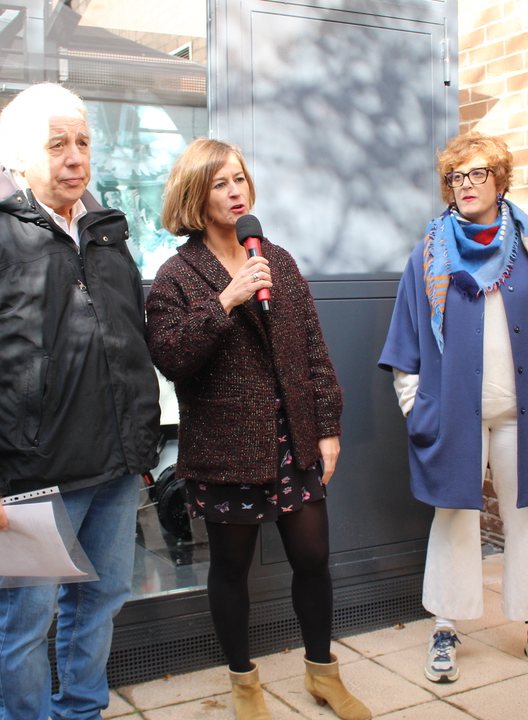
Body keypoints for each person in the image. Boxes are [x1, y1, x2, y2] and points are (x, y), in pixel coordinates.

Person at [0, 83, 162, 720]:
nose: (76, 157)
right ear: (17, 157)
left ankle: (81, 711)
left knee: (101, 602)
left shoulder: (105, 232)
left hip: (113, 468)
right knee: (26, 622)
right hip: (30, 477)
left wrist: (141, 444)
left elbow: (128, 345)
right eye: (57, 145)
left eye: (83, 142)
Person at [145, 138, 370, 720]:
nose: (235, 191)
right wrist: (225, 300)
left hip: (292, 438)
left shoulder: (277, 259)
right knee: (231, 569)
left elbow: (312, 349)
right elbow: (171, 357)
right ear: (196, 196)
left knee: (313, 558)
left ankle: (323, 674)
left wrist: (327, 426)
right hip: (226, 447)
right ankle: (245, 687)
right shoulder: (176, 275)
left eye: (239, 178)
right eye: (219, 183)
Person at [379, 132, 528, 683]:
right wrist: (414, 406)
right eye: (456, 176)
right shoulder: (429, 254)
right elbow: (407, 340)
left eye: (478, 173)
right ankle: (445, 628)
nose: (466, 184)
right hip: (452, 414)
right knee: (453, 517)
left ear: (500, 181)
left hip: (526, 412)